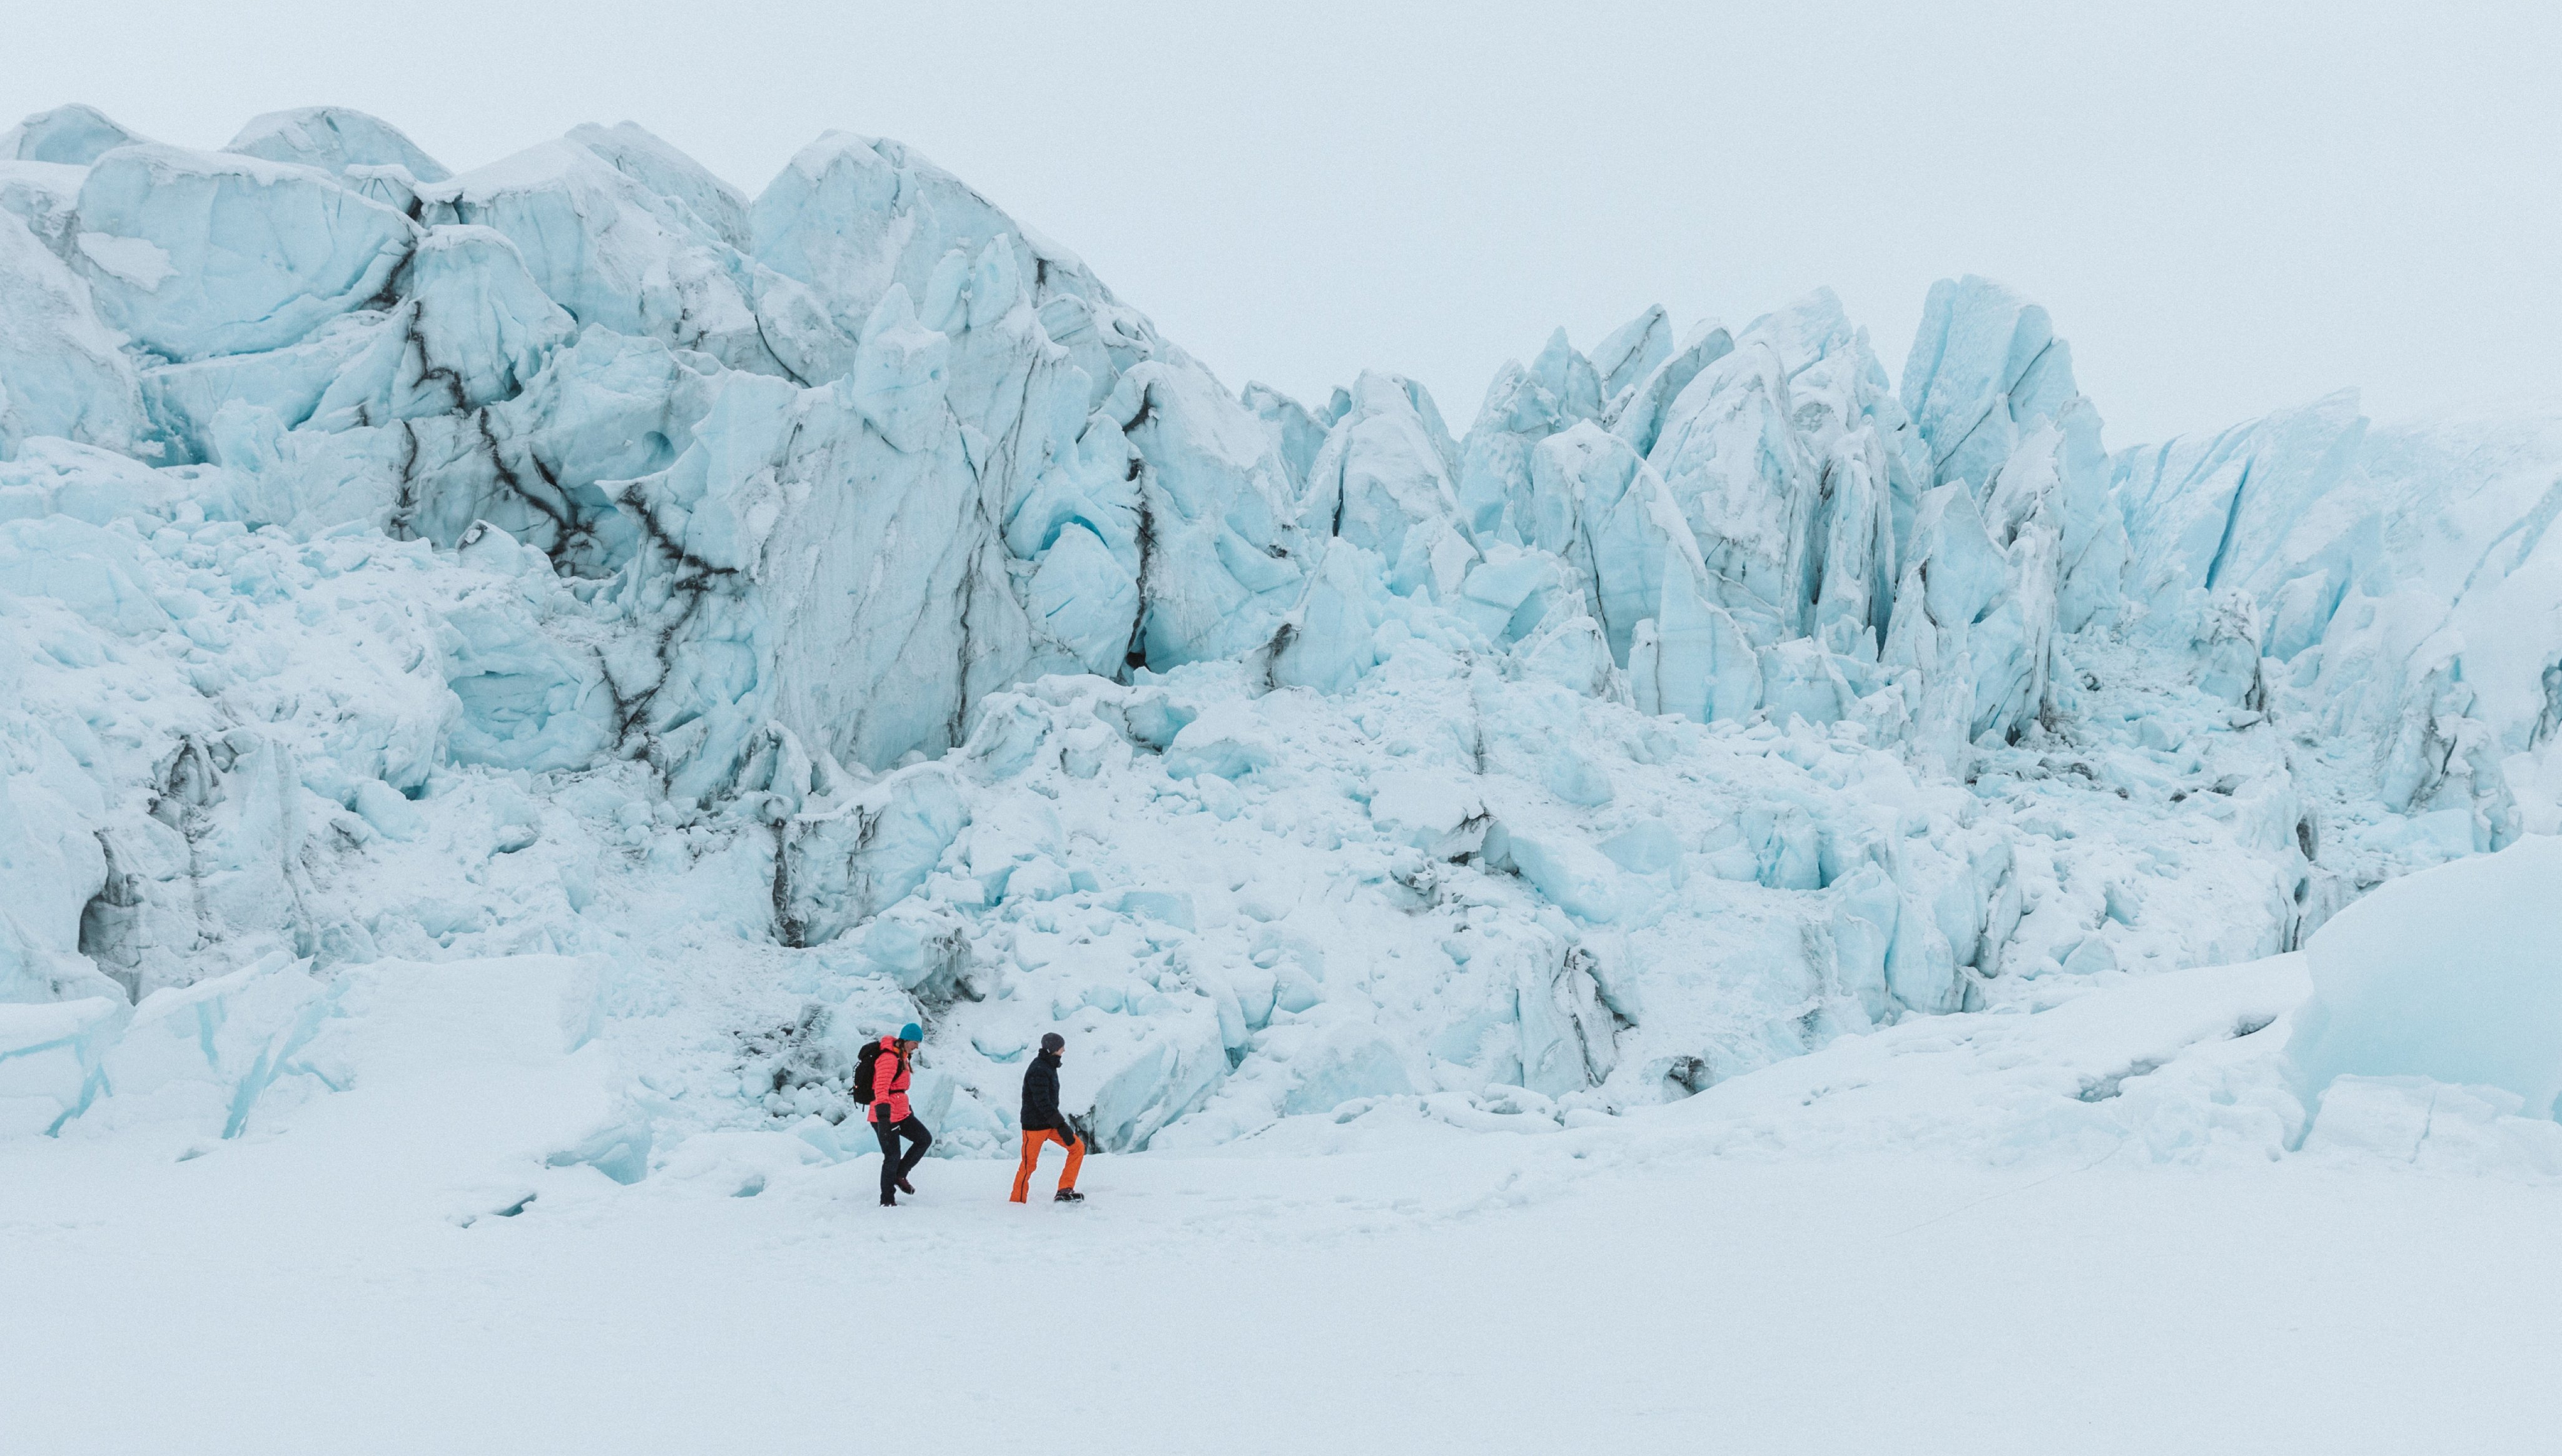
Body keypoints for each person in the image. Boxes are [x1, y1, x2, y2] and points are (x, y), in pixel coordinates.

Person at [1011, 1032, 1085, 1204]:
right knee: (1029, 1166)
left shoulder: (1049, 1066)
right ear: (1053, 1049)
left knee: (1077, 1148)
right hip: (1034, 1128)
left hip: (1049, 1125)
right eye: (1061, 1047)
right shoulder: (1038, 1069)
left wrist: (1058, 1125)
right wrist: (1061, 1125)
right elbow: (1042, 1103)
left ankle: (1065, 1190)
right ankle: (1016, 1204)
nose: (1064, 1050)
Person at [869, 1022, 932, 1207]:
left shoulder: (901, 1057)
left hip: (901, 1112)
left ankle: (900, 1174)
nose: (917, 1046)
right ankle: (887, 1200)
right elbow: (881, 1088)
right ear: (905, 1039)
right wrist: (883, 1118)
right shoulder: (889, 1059)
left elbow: (898, 1089)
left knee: (924, 1139)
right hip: (885, 1114)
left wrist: (907, 1109)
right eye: (915, 1042)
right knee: (892, 1156)